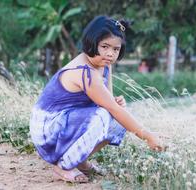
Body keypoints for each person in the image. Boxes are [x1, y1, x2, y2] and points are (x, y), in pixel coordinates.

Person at [29, 15, 166, 183]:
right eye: (105, 46)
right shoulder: (85, 71)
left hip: (67, 120)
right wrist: (147, 136)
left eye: (116, 49)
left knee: (116, 121)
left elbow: (109, 101)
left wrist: (114, 101)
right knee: (106, 115)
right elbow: (110, 109)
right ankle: (63, 166)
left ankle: (79, 160)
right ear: (92, 43)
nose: (110, 53)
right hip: (47, 130)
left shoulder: (104, 64)